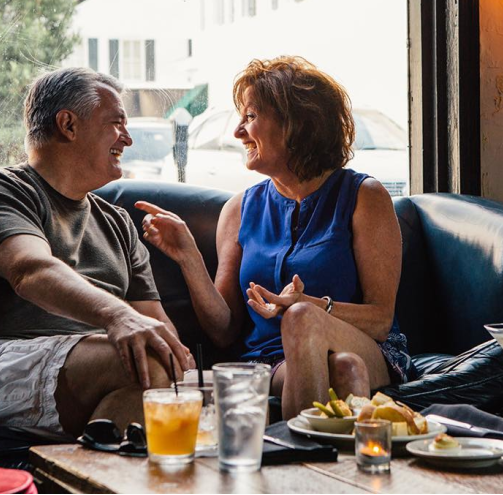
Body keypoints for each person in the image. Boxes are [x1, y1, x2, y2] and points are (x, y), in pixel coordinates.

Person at [136, 56, 416, 420]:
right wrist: (188, 254)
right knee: (345, 370)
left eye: (250, 117)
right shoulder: (239, 209)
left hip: (369, 348)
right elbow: (224, 330)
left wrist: (307, 306)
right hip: (270, 363)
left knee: (306, 322)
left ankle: (293, 462)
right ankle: (328, 470)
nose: (238, 132)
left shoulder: (364, 196)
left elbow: (380, 320)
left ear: (296, 125)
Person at [0, 67, 193, 440]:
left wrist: (192, 381)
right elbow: (30, 270)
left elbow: (157, 328)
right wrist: (117, 315)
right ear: (68, 125)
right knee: (149, 364)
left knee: (166, 369)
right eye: (117, 123)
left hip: (89, 365)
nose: (129, 139)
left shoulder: (118, 224)